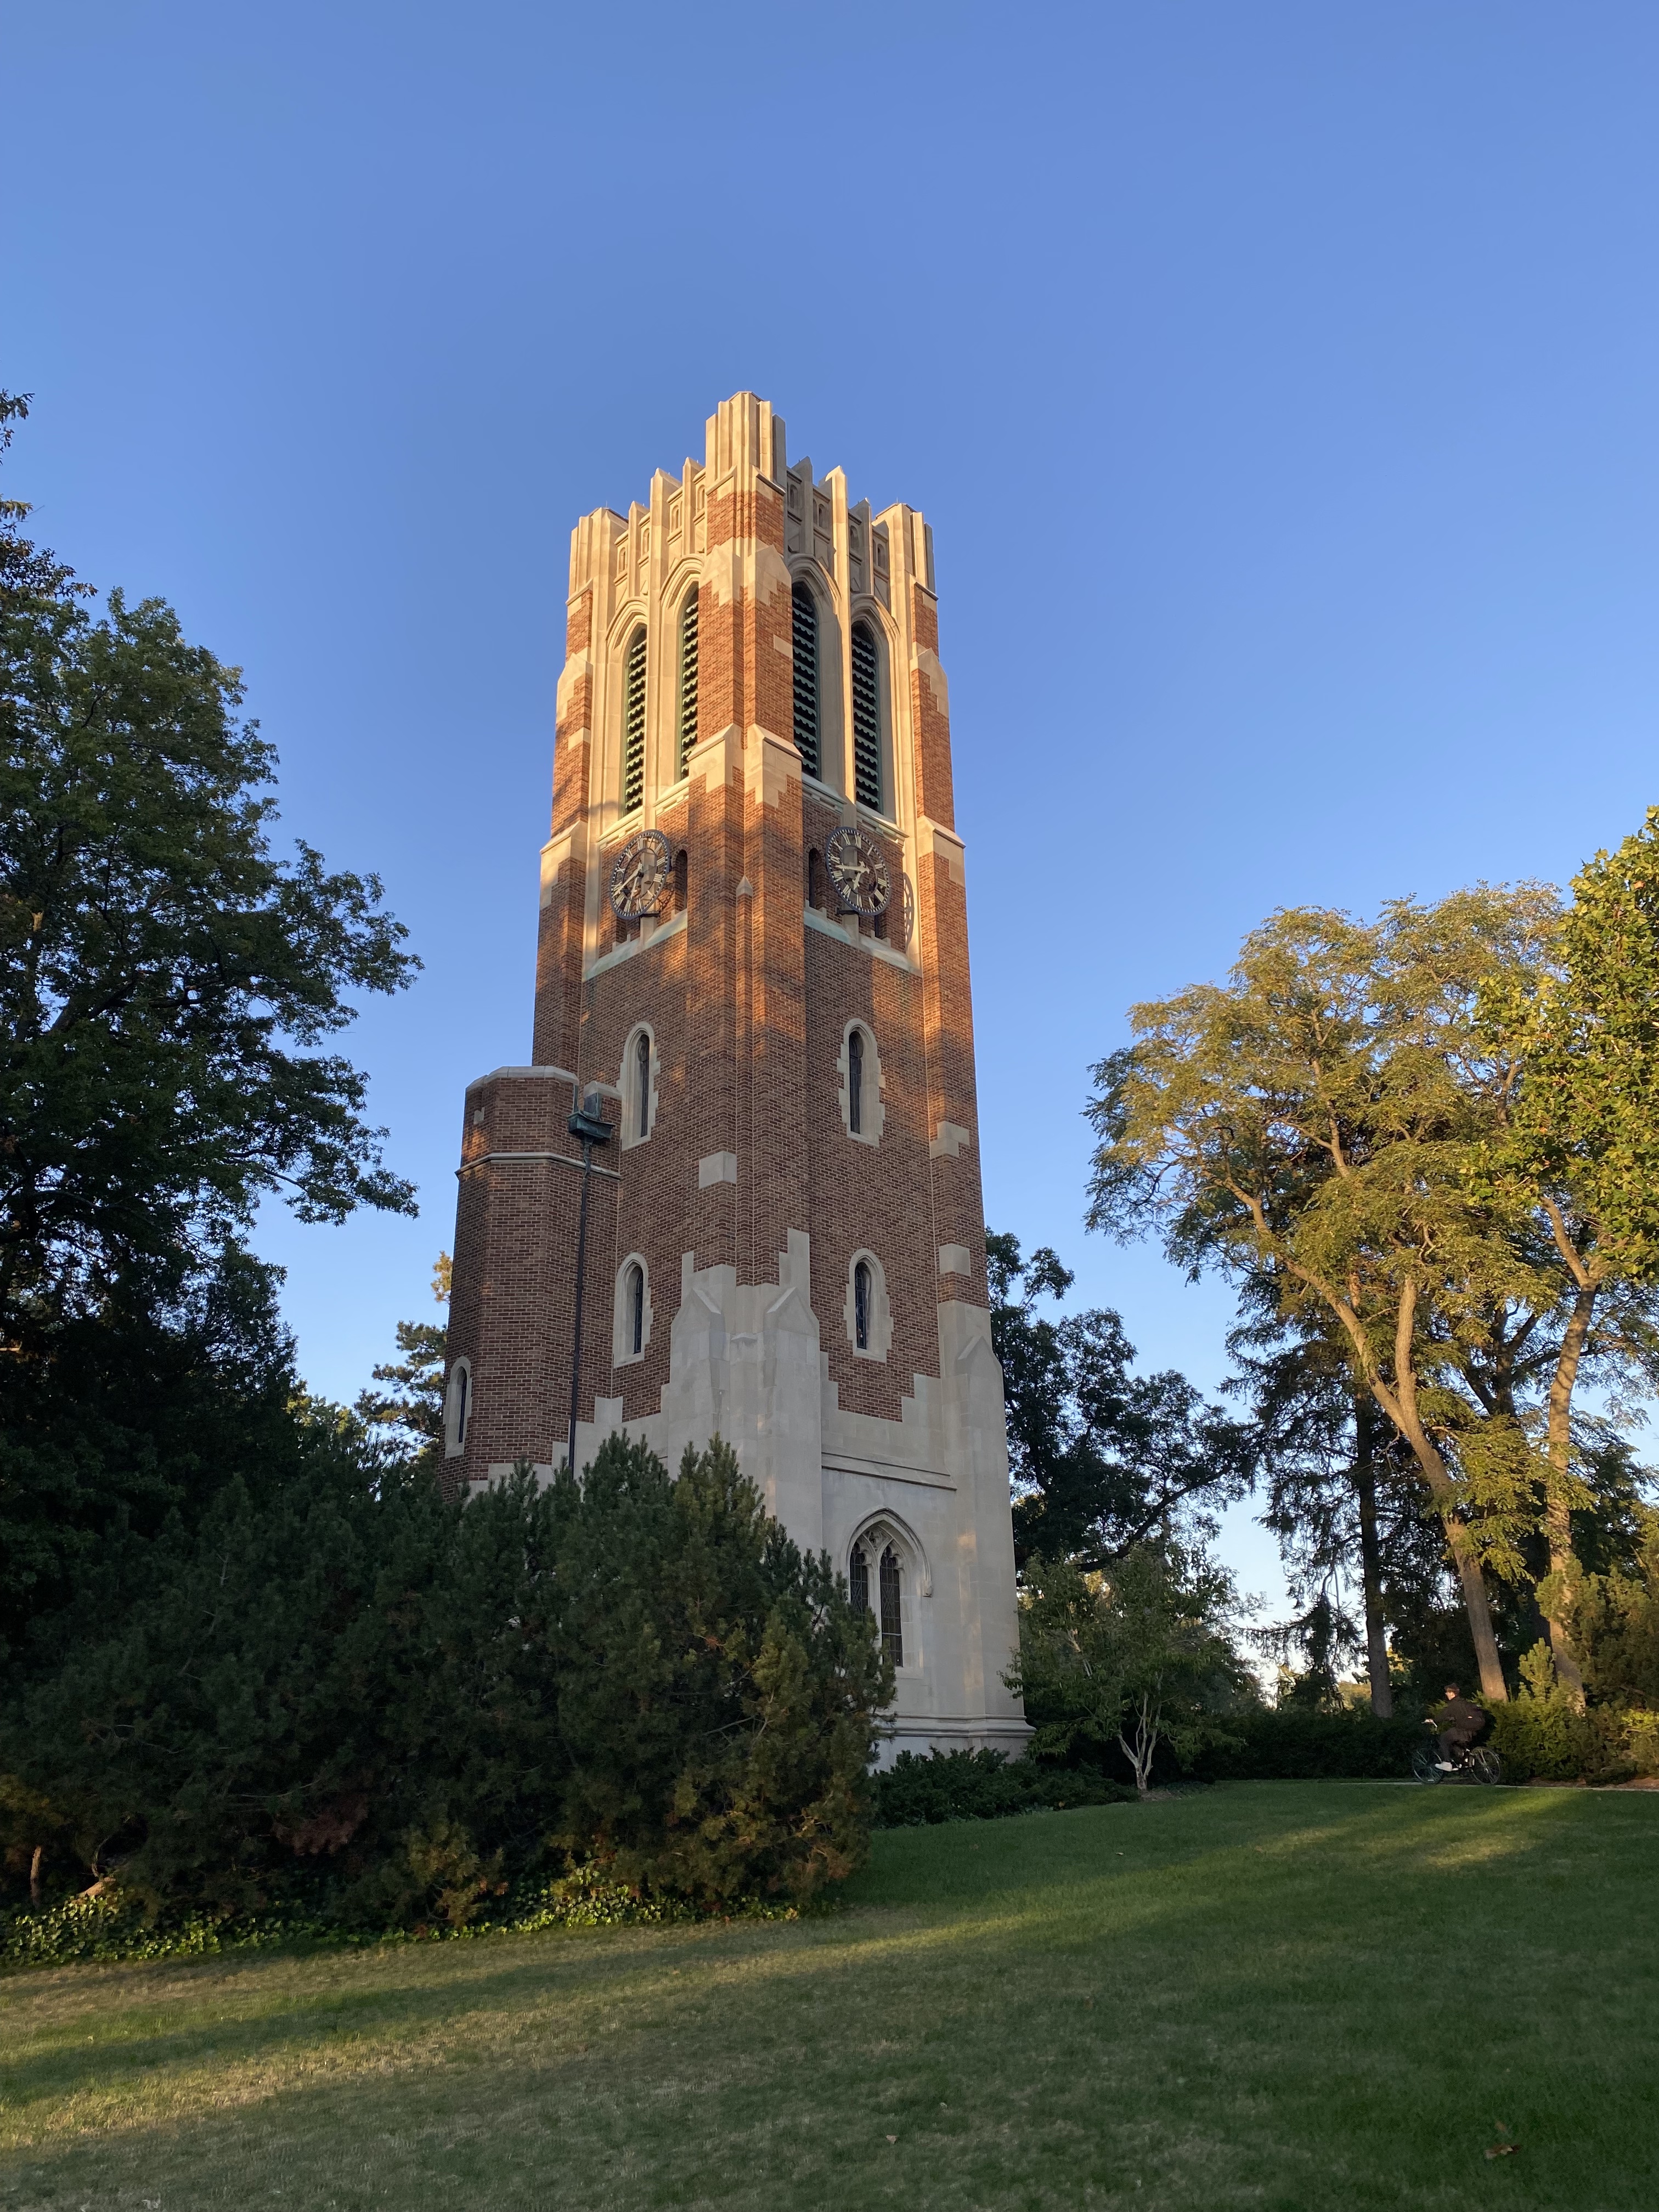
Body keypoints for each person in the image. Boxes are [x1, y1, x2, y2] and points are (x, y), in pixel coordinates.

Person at [1435, 1683, 1488, 1770]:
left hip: (1464, 1730)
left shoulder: (1454, 1704)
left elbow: (1443, 1715)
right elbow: (1462, 1715)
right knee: (1455, 1740)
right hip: (1476, 1728)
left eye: (1448, 1692)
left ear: (1452, 1693)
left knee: (1444, 1738)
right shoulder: (1465, 1702)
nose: (1446, 1694)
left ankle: (1447, 1763)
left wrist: (1433, 1720)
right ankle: (1461, 1760)